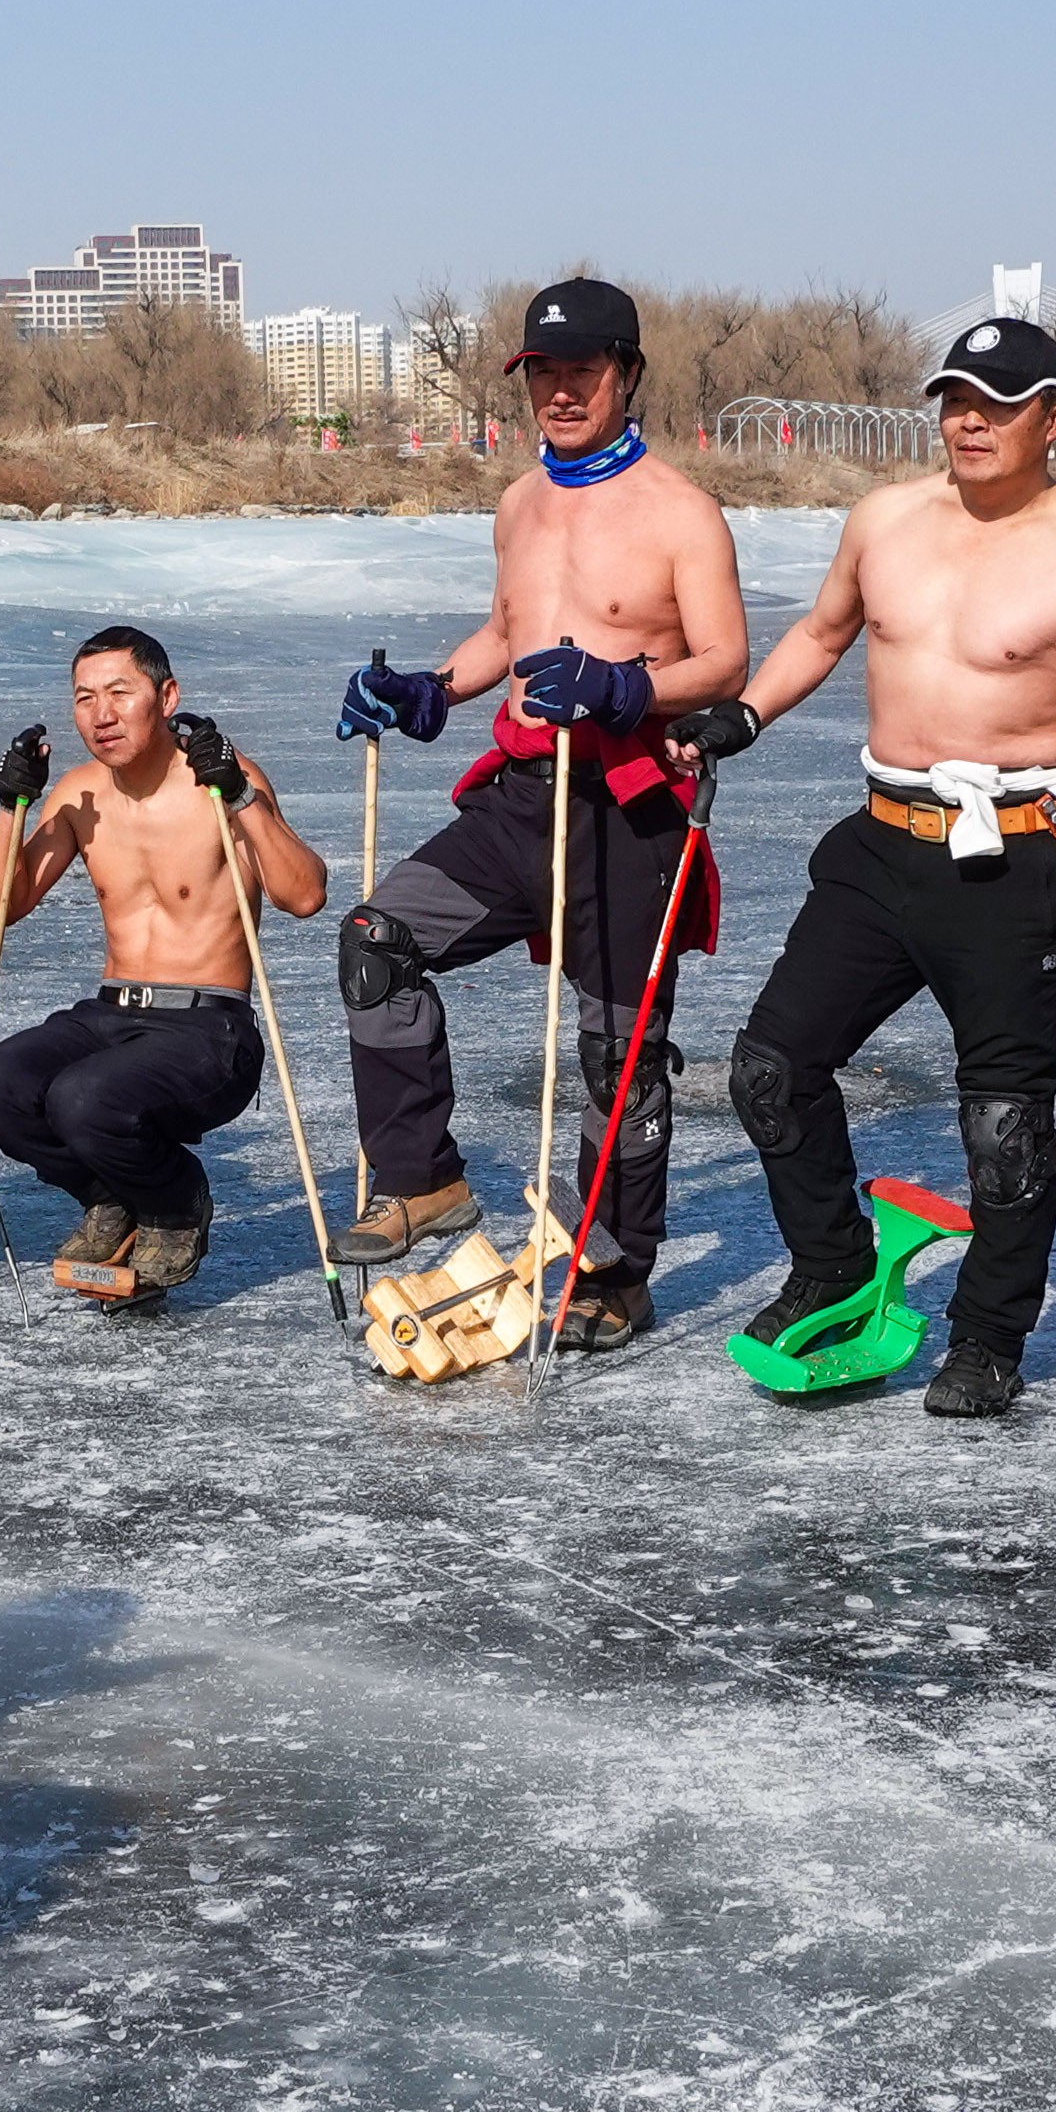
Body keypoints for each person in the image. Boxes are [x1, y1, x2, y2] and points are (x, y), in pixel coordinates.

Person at [671, 315, 1056, 1415]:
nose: (968, 420)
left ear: (1053, 419)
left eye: (997, 403)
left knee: (1001, 1125)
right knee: (770, 1068)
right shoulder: (884, 520)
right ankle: (829, 1262)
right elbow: (820, 634)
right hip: (878, 842)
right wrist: (745, 715)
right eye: (955, 398)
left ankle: (987, 1336)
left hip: (1009, 863)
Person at [328, 276, 751, 1350]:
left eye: (581, 371)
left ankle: (614, 1263)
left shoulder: (679, 511)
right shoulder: (518, 503)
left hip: (625, 809)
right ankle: (421, 1181)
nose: (559, 392)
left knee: (617, 1052)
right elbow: (508, 631)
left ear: (627, 375)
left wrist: (624, 687)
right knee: (376, 942)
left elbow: (723, 661)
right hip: (520, 798)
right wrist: (431, 688)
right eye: (541, 374)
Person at [0, 629, 330, 1300]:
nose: (100, 714)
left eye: (118, 693)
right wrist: (11, 806)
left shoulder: (223, 780)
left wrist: (242, 796)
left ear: (166, 697)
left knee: (84, 1098)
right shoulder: (79, 791)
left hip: (207, 1027)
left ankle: (175, 1199)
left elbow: (304, 893)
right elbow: (1, 906)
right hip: (111, 1011)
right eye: (84, 698)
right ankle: (112, 1194)